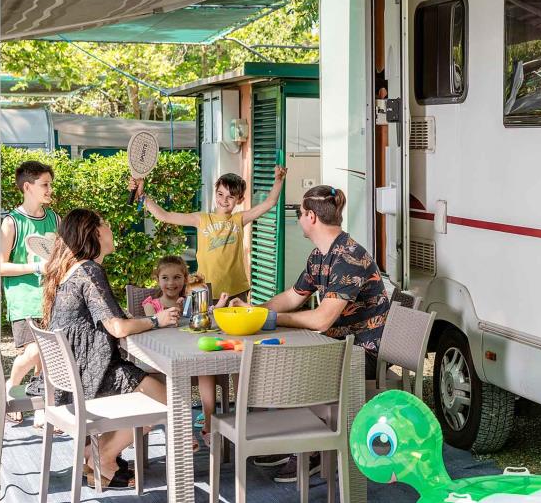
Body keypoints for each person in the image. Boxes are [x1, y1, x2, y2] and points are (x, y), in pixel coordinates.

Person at [230, 185, 390, 482]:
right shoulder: (319, 255)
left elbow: (321, 320)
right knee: (272, 363)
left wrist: (273, 318)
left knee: (288, 369)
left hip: (360, 355)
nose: (299, 219)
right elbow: (293, 296)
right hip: (333, 346)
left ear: (311, 217)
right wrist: (253, 312)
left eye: (300, 213)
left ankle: (310, 450)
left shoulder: (349, 257)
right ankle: (288, 441)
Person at [41, 208, 179, 489]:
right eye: (105, 224)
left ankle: (94, 454)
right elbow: (117, 328)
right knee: (168, 400)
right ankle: (103, 457)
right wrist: (157, 320)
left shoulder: (70, 271)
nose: (110, 229)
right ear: (93, 233)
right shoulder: (89, 270)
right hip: (92, 374)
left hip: (74, 375)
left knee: (149, 386)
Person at [129, 166, 287, 304]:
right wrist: (142, 196)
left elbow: (270, 203)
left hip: (237, 290)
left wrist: (278, 180)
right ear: (215, 193)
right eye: (220, 194)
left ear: (240, 199)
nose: (224, 200)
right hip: (206, 290)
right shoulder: (202, 219)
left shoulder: (239, 219)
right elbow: (165, 216)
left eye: (230, 196)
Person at [142, 257, 225, 452]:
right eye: (165, 278)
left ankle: (208, 424)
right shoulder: (151, 305)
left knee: (206, 369)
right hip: (161, 359)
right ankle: (183, 430)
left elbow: (207, 317)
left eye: (177, 277)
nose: (171, 283)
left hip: (190, 357)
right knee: (180, 376)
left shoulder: (192, 301)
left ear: (185, 279)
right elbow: (151, 327)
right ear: (157, 279)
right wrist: (172, 313)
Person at [0, 160, 60, 421]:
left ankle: (41, 407)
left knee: (48, 355)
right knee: (35, 351)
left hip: (51, 298)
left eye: (50, 184)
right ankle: (11, 387)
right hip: (24, 300)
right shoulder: (11, 223)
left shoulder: (55, 218)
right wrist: (36, 267)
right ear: (27, 187)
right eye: (45, 185)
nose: (50, 190)